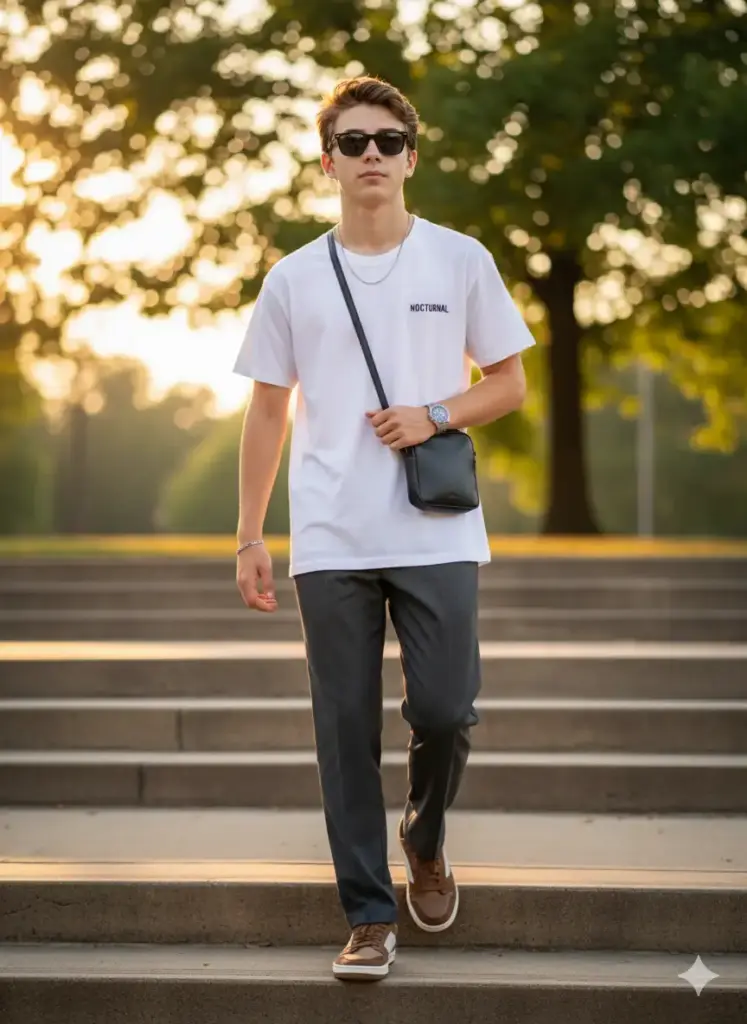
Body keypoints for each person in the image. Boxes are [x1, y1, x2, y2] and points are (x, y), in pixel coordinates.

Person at [233, 75, 535, 982]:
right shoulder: (291, 276)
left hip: (436, 531)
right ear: (327, 160)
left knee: (445, 710)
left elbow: (509, 383)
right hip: (332, 537)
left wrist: (435, 412)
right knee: (343, 729)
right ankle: (367, 916)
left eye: (389, 141)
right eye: (355, 141)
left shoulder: (459, 258)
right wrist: (250, 532)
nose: (373, 154)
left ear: (412, 156)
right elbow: (265, 410)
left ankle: (426, 835)